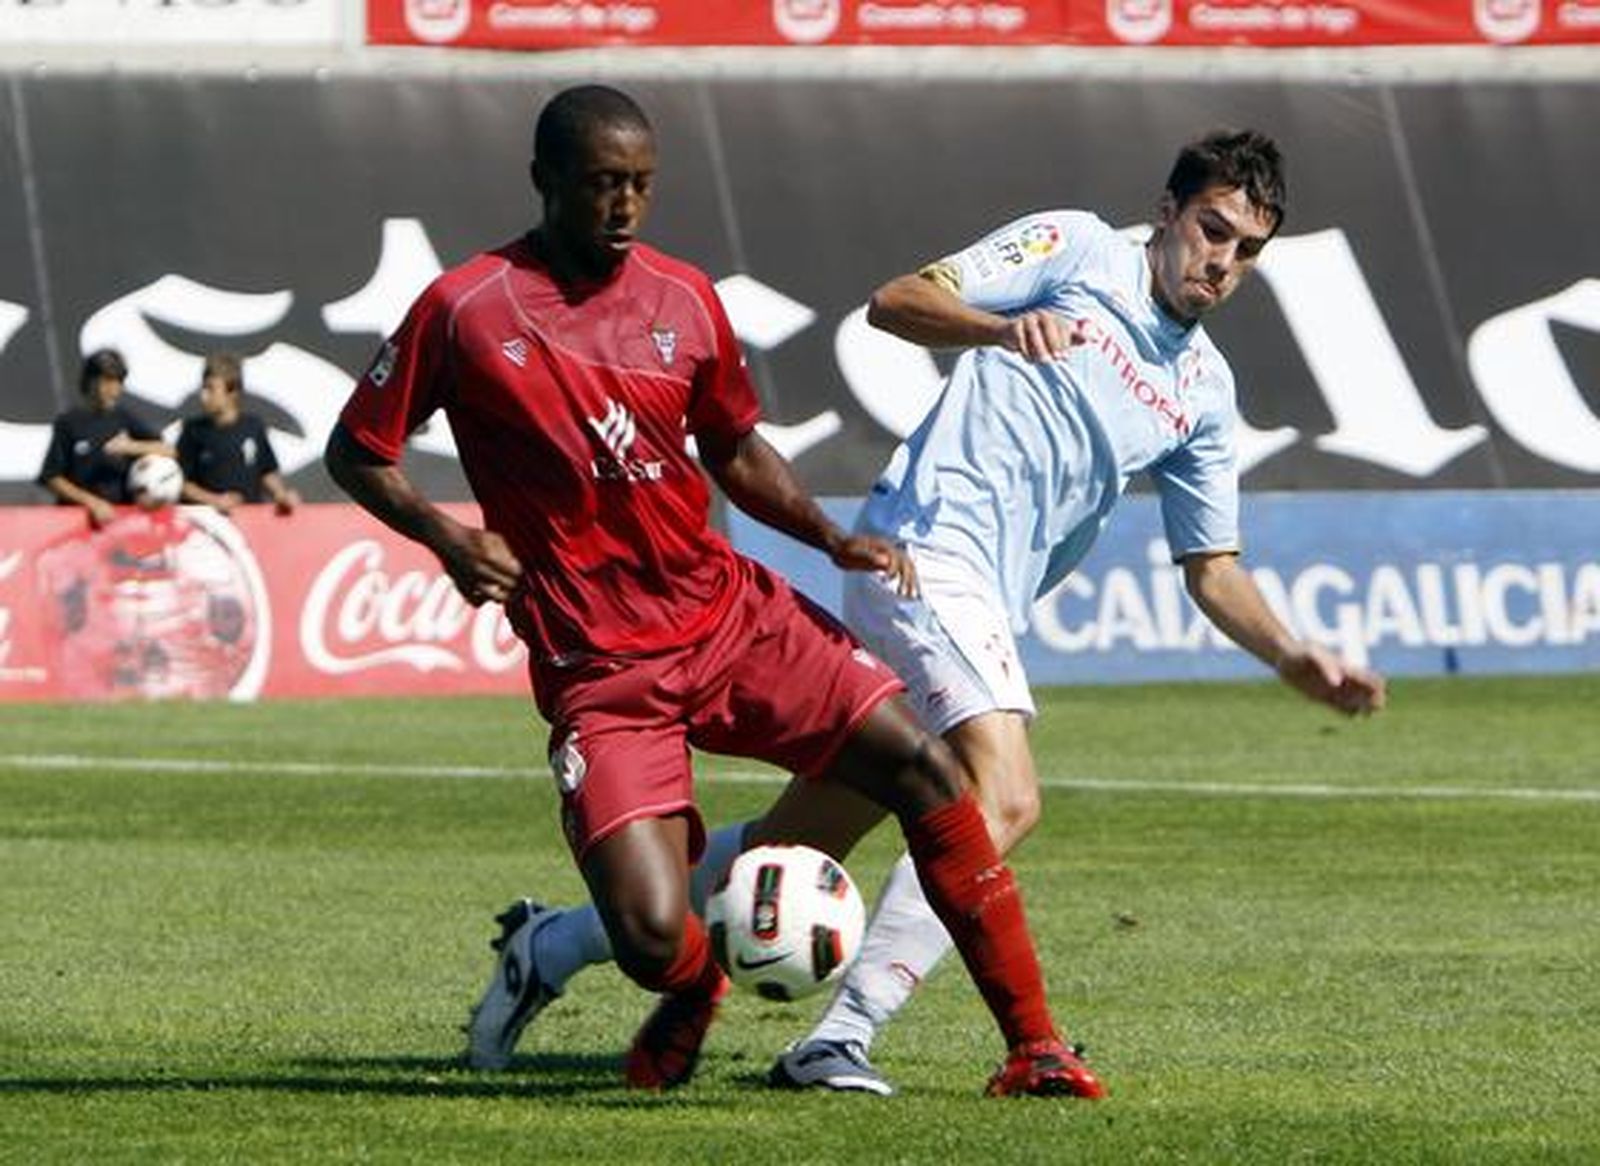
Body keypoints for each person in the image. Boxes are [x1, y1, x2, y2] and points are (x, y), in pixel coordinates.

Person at [471, 127, 1388, 1096]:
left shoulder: (1202, 390)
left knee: (801, 844)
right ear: (1167, 210)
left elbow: (1211, 566)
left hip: (981, 597)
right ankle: (842, 1032)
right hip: (924, 555)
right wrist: (999, 328)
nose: (1224, 260)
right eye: (1213, 229)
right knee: (1004, 792)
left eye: (1248, 250)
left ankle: (551, 941)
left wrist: (1290, 653)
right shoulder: (1075, 249)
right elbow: (896, 301)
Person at [324, 84, 1100, 1100]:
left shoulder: (683, 297)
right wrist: (443, 533)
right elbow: (357, 450)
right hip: (599, 663)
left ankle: (1035, 1044)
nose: (624, 206)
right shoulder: (465, 308)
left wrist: (827, 535)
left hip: (727, 616)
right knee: (651, 932)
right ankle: (690, 990)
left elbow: (733, 446)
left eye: (641, 185)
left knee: (926, 770)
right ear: (545, 180)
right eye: (603, 183)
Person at [37, 348, 174, 528]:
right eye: (107, 380)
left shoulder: (124, 418)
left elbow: (169, 451)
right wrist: (91, 503)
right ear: (90, 381)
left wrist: (130, 447)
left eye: (118, 382)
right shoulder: (69, 422)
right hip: (77, 523)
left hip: (121, 522)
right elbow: (51, 477)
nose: (113, 389)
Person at [176, 352, 300, 515]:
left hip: (252, 522)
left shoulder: (253, 427)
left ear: (232, 391)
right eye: (203, 388)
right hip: (208, 524)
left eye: (211, 388)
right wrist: (215, 501)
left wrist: (281, 494)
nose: (203, 396)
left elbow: (266, 471)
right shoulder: (192, 430)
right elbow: (181, 483)